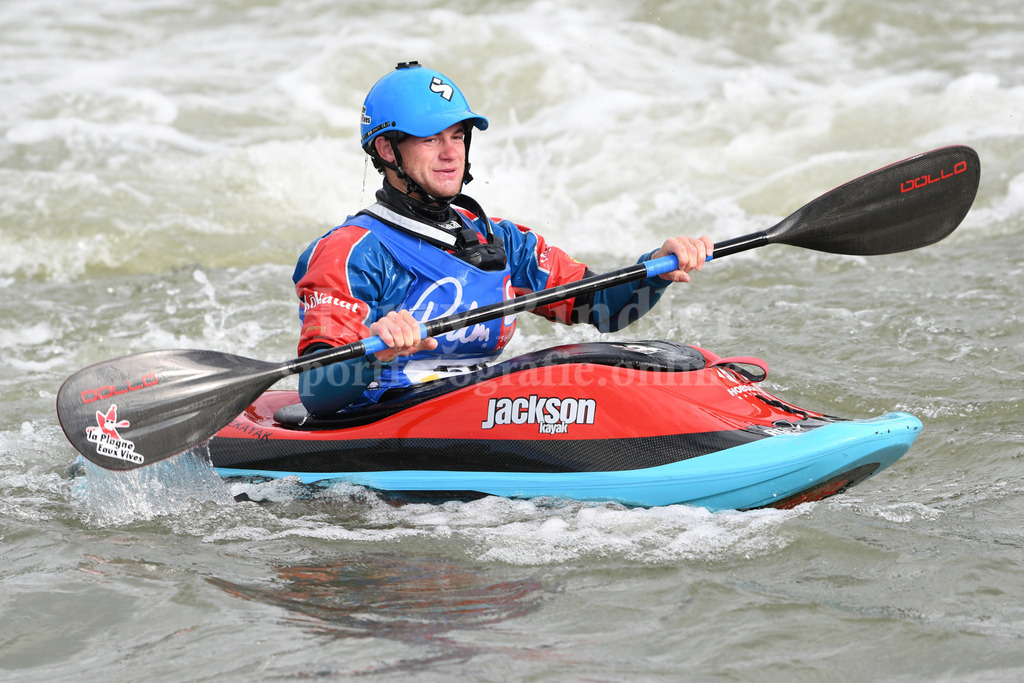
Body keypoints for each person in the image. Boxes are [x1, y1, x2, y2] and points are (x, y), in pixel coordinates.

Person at [293, 61, 713, 415]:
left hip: (464, 409)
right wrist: (375, 352)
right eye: (430, 139)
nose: (450, 152)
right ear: (387, 150)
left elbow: (603, 310)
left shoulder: (498, 239)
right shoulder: (352, 251)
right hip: (375, 422)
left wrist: (656, 268)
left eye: (457, 136)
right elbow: (316, 394)